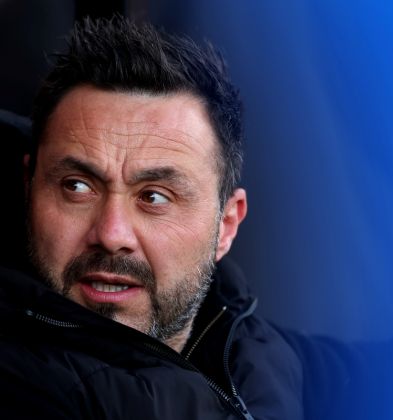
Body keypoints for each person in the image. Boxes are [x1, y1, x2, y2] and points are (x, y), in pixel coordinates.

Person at [0, 16, 303, 419]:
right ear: (29, 186)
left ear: (226, 225)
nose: (111, 234)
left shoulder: (242, 334)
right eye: (77, 186)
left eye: (154, 196)